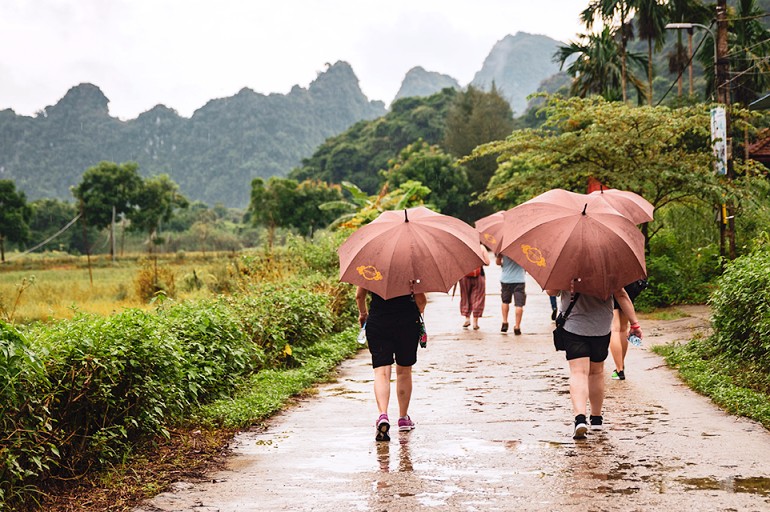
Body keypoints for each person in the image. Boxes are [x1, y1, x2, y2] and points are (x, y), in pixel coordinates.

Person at [546, 286, 642, 439]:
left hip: (573, 326)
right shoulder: (608, 271)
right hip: (601, 328)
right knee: (596, 373)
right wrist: (634, 324)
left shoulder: (567, 270)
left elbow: (551, 291)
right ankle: (596, 419)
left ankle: (580, 419)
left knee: (579, 372)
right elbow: (621, 294)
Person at [356, 286, 427, 442]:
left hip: (378, 322)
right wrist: (417, 311)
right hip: (407, 323)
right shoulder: (411, 272)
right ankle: (403, 418)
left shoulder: (370, 271)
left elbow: (359, 296)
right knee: (404, 371)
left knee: (381, 372)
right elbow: (421, 301)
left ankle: (383, 415)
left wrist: (363, 314)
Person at [609, 279, 648, 380]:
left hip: (613, 283)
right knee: (623, 328)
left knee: (615, 328)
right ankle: (621, 365)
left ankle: (619, 370)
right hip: (629, 283)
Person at [496, 254, 526, 334]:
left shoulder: (503, 250)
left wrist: (504, 264)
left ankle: (505, 322)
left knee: (505, 301)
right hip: (519, 279)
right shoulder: (523, 251)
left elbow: (498, 262)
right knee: (519, 304)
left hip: (506, 279)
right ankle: (517, 327)